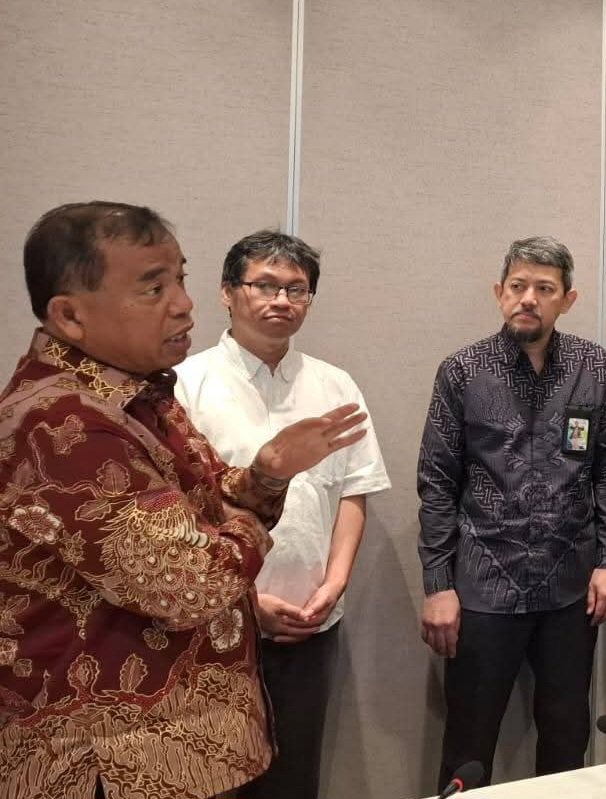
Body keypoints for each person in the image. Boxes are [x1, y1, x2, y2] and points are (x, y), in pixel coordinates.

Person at [0, 202, 366, 799]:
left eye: (179, 279)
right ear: (70, 315)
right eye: (153, 288)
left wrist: (267, 473)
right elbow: (192, 582)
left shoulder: (141, 395)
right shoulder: (63, 423)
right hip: (110, 759)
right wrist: (251, 514)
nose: (182, 304)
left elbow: (216, 492)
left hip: (180, 740)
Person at [174, 231, 390, 799]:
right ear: (227, 292)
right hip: (214, 628)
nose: (281, 300)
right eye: (265, 285)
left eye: (297, 289)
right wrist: (246, 601)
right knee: (212, 779)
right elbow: (175, 515)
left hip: (310, 621)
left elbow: (353, 493)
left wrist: (335, 583)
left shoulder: (334, 384)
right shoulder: (185, 385)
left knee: (294, 780)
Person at [417, 236, 606, 785]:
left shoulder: (591, 366)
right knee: (468, 746)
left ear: (568, 299)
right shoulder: (463, 371)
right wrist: (438, 585)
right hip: (483, 587)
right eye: (517, 286)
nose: (528, 298)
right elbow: (437, 483)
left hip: (570, 588)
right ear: (499, 292)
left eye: (544, 288)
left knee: (566, 737)